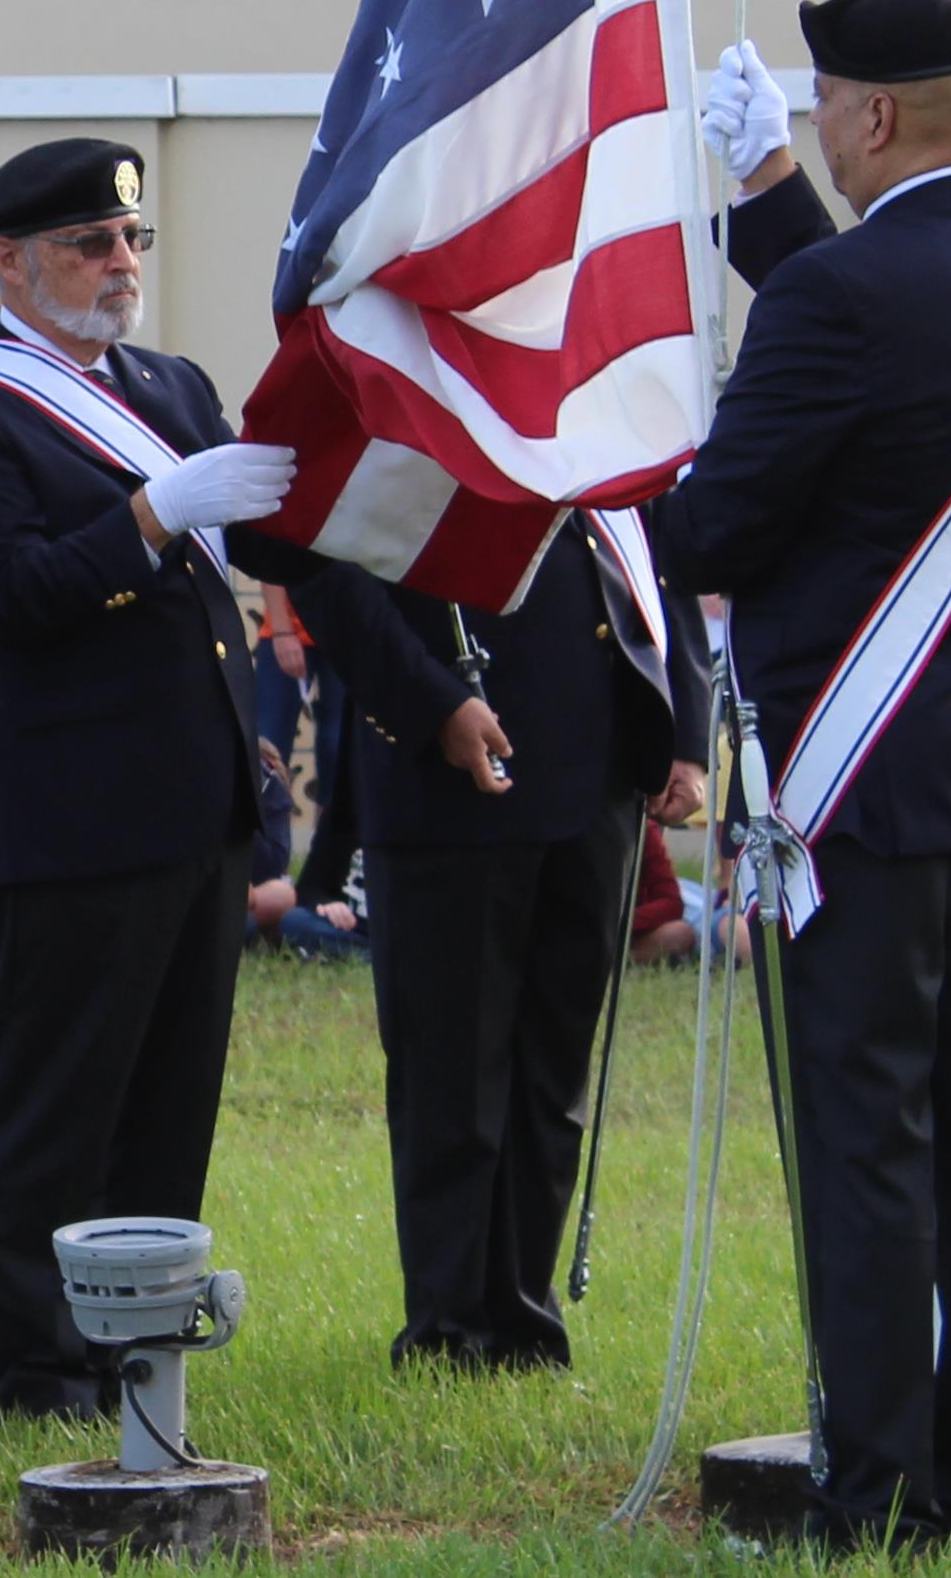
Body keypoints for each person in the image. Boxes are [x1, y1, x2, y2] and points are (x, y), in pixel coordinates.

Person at [676, 0, 951, 1543]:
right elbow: (902, 359)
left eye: (822, 103)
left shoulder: (837, 297)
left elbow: (721, 522)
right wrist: (771, 205)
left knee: (866, 1143)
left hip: (865, 787)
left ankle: (875, 1491)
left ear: (860, 120)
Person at [0, 133, 310, 1422]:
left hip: (195, 801)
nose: (119, 263)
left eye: (131, 240)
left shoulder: (168, 383)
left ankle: (136, 1343)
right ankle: (28, 1366)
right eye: (88, 242)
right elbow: (9, 604)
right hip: (70, 812)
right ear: (6, 265)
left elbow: (258, 530)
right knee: (52, 1109)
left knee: (168, 1102)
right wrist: (150, 512)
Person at [300, 519, 709, 1371]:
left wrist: (684, 730)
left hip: (596, 767)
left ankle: (525, 1318)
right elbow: (329, 569)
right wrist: (430, 699)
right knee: (452, 1064)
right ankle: (449, 1327)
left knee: (553, 1070)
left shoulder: (602, 391)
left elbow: (654, 553)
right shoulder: (408, 390)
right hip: (450, 768)